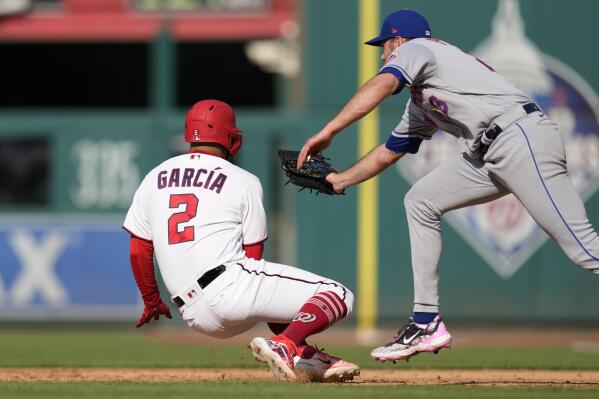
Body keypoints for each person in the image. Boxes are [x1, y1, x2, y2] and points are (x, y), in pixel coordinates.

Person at [298, 9, 599, 362]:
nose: (383, 54)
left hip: (521, 138)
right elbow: (391, 151)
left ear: (398, 40)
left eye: (385, 46)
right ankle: (426, 321)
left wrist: (329, 131)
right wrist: (339, 180)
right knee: (421, 201)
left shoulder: (418, 49)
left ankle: (425, 321)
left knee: (583, 248)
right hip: (492, 153)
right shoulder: (423, 99)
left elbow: (383, 83)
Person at [123, 99, 359, 381]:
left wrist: (151, 301)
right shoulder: (242, 179)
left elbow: (139, 250)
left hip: (191, 312)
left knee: (271, 290)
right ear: (229, 136)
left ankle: (305, 356)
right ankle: (285, 344)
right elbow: (253, 255)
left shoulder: (154, 177)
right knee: (339, 295)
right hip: (228, 288)